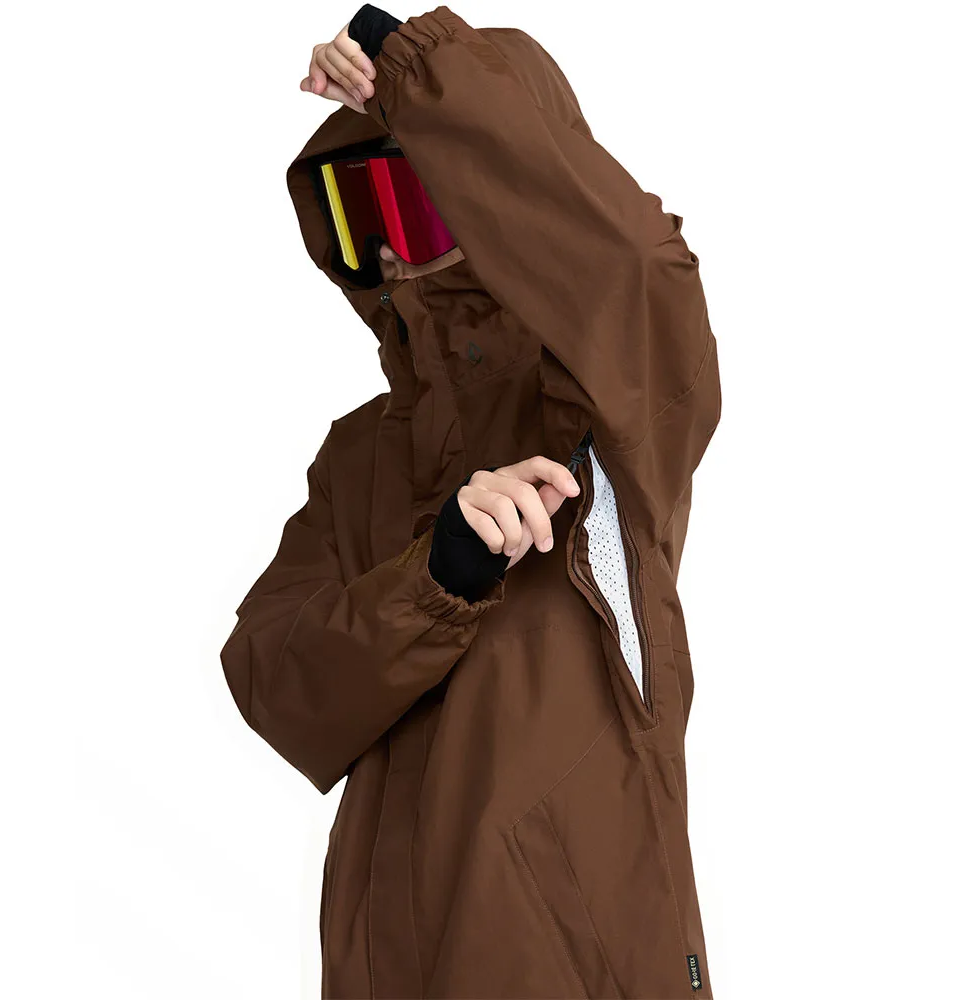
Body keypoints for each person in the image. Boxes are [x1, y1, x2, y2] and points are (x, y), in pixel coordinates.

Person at [220, 5, 721, 997]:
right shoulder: (360, 454)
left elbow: (628, 267)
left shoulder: (609, 414)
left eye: (422, 203)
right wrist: (435, 579)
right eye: (362, 215)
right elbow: (277, 686)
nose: (393, 252)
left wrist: (411, 66)